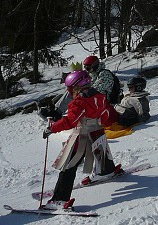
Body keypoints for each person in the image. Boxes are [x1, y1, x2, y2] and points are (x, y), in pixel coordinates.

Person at [40, 70, 119, 210]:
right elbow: (107, 114)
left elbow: (70, 121)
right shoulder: (99, 96)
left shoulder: (79, 101)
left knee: (70, 163)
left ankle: (60, 199)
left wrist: (52, 129)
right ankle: (106, 170)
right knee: (100, 148)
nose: (69, 92)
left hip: (82, 134)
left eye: (70, 89)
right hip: (97, 130)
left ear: (76, 86)